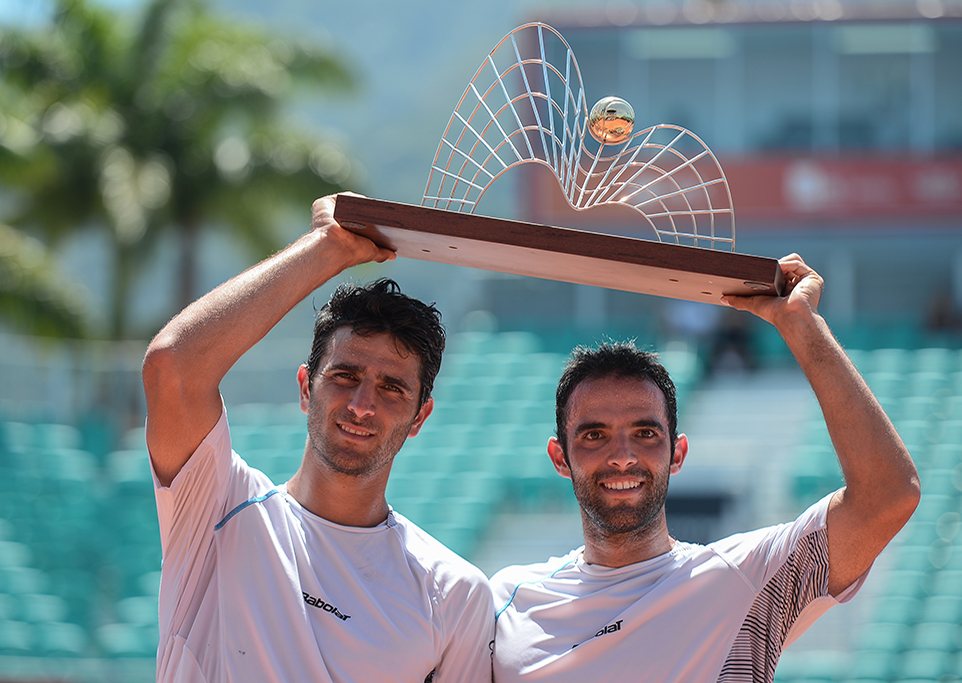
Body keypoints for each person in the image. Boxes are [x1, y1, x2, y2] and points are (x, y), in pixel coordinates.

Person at [489, 254, 920, 683]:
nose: (622, 456)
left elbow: (888, 495)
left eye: (645, 434)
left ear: (677, 454)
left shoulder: (743, 582)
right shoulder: (507, 601)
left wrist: (801, 324)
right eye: (595, 435)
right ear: (560, 457)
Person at [142, 194, 493, 682]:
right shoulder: (218, 507)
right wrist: (328, 247)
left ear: (419, 417)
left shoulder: (454, 592)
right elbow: (172, 368)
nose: (362, 405)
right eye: (345, 376)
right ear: (307, 387)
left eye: (391, 388)